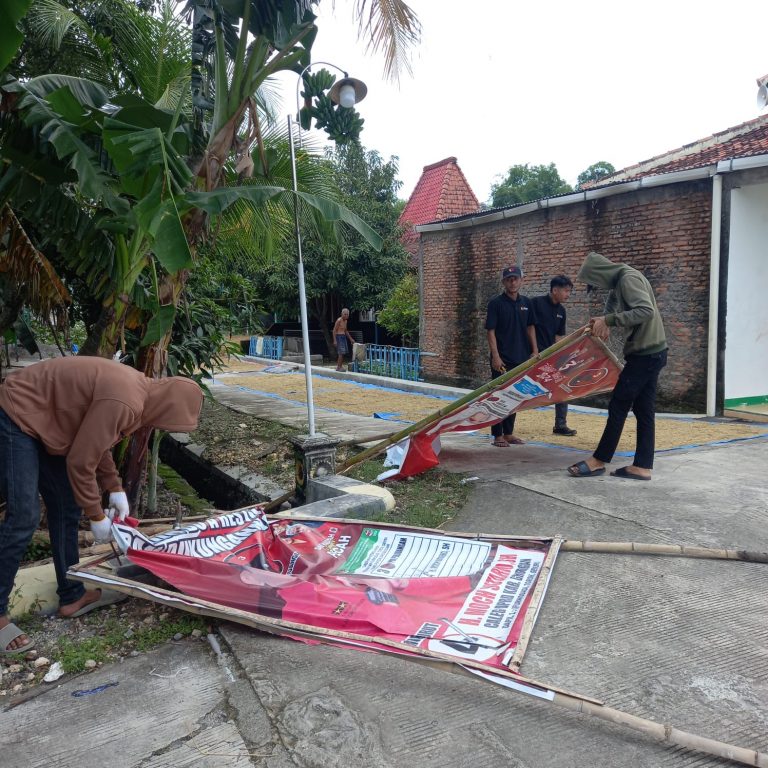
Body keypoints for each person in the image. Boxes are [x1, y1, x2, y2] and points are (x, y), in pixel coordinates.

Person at [0, 356, 204, 653]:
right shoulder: (127, 403)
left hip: (42, 419)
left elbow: (94, 442)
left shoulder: (138, 397)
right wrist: (96, 515)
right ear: (167, 408)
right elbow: (80, 461)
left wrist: (114, 487)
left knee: (67, 506)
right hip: (16, 413)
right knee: (24, 516)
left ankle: (71, 594)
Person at [567, 252, 667, 481]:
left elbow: (645, 310)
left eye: (595, 283)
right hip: (654, 352)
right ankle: (642, 466)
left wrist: (609, 321)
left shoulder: (627, 279)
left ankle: (598, 461)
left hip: (645, 354)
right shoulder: (621, 279)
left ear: (600, 274)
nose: (598, 287)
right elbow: (612, 303)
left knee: (619, 404)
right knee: (644, 411)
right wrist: (603, 319)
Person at [485, 265, 538, 446]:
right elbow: (490, 332)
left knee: (515, 396)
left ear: (521, 280)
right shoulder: (496, 304)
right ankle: (497, 435)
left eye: (515, 278)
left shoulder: (526, 303)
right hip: (503, 359)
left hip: (521, 357)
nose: (512, 282)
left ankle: (508, 433)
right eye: (509, 279)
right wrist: (495, 356)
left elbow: (531, 327)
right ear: (504, 282)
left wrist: (535, 351)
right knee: (499, 395)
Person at [531, 275, 577, 436]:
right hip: (532, 356)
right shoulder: (536, 303)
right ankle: (503, 427)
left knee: (562, 385)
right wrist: (533, 350)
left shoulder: (562, 311)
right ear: (555, 290)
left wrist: (561, 358)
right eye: (566, 291)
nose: (568, 294)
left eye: (569, 291)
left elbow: (559, 337)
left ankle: (560, 425)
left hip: (551, 358)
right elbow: (528, 327)